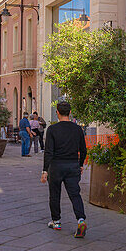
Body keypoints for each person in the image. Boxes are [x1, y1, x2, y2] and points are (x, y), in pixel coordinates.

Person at [40, 101, 87, 238]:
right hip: (72, 165)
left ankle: (56, 221)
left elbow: (48, 152)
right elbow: (83, 149)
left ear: (57, 113)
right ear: (70, 112)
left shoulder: (52, 130)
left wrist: (45, 170)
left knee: (55, 194)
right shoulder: (77, 129)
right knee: (75, 194)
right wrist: (80, 164)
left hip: (56, 166)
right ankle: (81, 220)